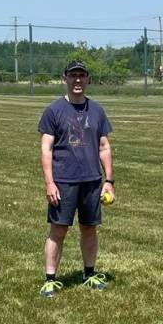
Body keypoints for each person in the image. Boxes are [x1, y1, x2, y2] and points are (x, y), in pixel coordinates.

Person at [37, 60, 115, 297]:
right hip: (64, 181)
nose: (77, 80)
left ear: (88, 78)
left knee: (89, 229)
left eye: (82, 75)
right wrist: (50, 182)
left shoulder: (97, 110)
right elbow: (46, 149)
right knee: (58, 230)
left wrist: (108, 180)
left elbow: (104, 147)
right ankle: (50, 279)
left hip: (91, 180)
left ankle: (89, 273)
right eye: (73, 75)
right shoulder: (54, 110)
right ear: (65, 78)